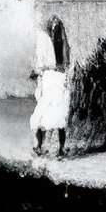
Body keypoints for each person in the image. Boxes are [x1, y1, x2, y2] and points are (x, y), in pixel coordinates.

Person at [30, 25, 69, 158]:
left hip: (53, 79)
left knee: (49, 115)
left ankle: (45, 147)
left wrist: (40, 72)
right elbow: (64, 64)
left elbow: (62, 64)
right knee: (53, 116)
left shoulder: (50, 45)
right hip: (54, 79)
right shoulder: (54, 46)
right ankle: (50, 147)